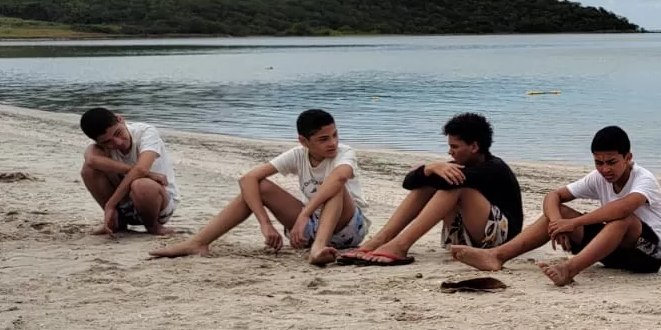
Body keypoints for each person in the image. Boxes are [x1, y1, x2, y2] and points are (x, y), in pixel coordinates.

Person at [450, 125, 661, 286]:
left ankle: (569, 269)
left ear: (628, 157)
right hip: (613, 252)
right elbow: (553, 196)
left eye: (611, 162)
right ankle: (497, 255)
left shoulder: (644, 179)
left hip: (648, 255)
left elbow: (623, 208)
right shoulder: (598, 177)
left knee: (623, 219)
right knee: (559, 211)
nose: (605, 170)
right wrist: (557, 223)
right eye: (599, 162)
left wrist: (573, 223)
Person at [152, 109, 369, 265]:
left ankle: (318, 248)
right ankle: (198, 242)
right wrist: (265, 223)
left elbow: (339, 178)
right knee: (258, 186)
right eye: (323, 139)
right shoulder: (298, 154)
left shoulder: (344, 153)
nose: (332, 143)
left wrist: (305, 214)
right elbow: (247, 179)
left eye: (335, 135)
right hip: (308, 227)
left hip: (347, 228)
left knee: (335, 185)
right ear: (304, 141)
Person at [339, 112, 521, 266]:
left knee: (456, 187)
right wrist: (429, 168)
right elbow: (409, 183)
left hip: (501, 238)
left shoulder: (494, 167)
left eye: (454, 147)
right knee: (431, 183)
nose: (450, 152)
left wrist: (430, 170)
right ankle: (382, 239)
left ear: (474, 146)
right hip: (470, 235)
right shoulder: (461, 166)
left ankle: (401, 245)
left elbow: (448, 183)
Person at [79, 108, 179, 236]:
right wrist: (148, 174)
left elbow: (141, 169)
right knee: (89, 170)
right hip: (125, 205)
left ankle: (153, 227)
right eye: (107, 142)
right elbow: (91, 160)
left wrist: (110, 204)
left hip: (158, 203)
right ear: (98, 141)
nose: (118, 142)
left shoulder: (145, 132)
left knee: (140, 184)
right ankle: (118, 223)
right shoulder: (99, 145)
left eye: (118, 133)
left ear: (121, 119)